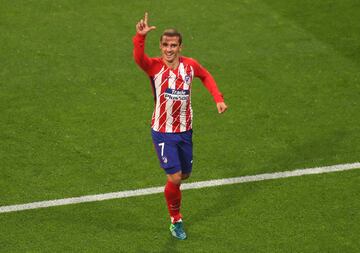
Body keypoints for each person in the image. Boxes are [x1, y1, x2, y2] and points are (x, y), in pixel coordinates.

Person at [133, 12, 227, 240]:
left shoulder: (190, 66)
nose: (169, 49)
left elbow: (206, 76)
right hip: (163, 131)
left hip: (185, 130)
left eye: (173, 45)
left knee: (184, 175)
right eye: (165, 45)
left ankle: (173, 196)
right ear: (161, 46)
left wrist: (218, 98)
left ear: (180, 47)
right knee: (174, 178)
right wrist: (140, 37)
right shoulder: (155, 67)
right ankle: (176, 220)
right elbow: (139, 59)